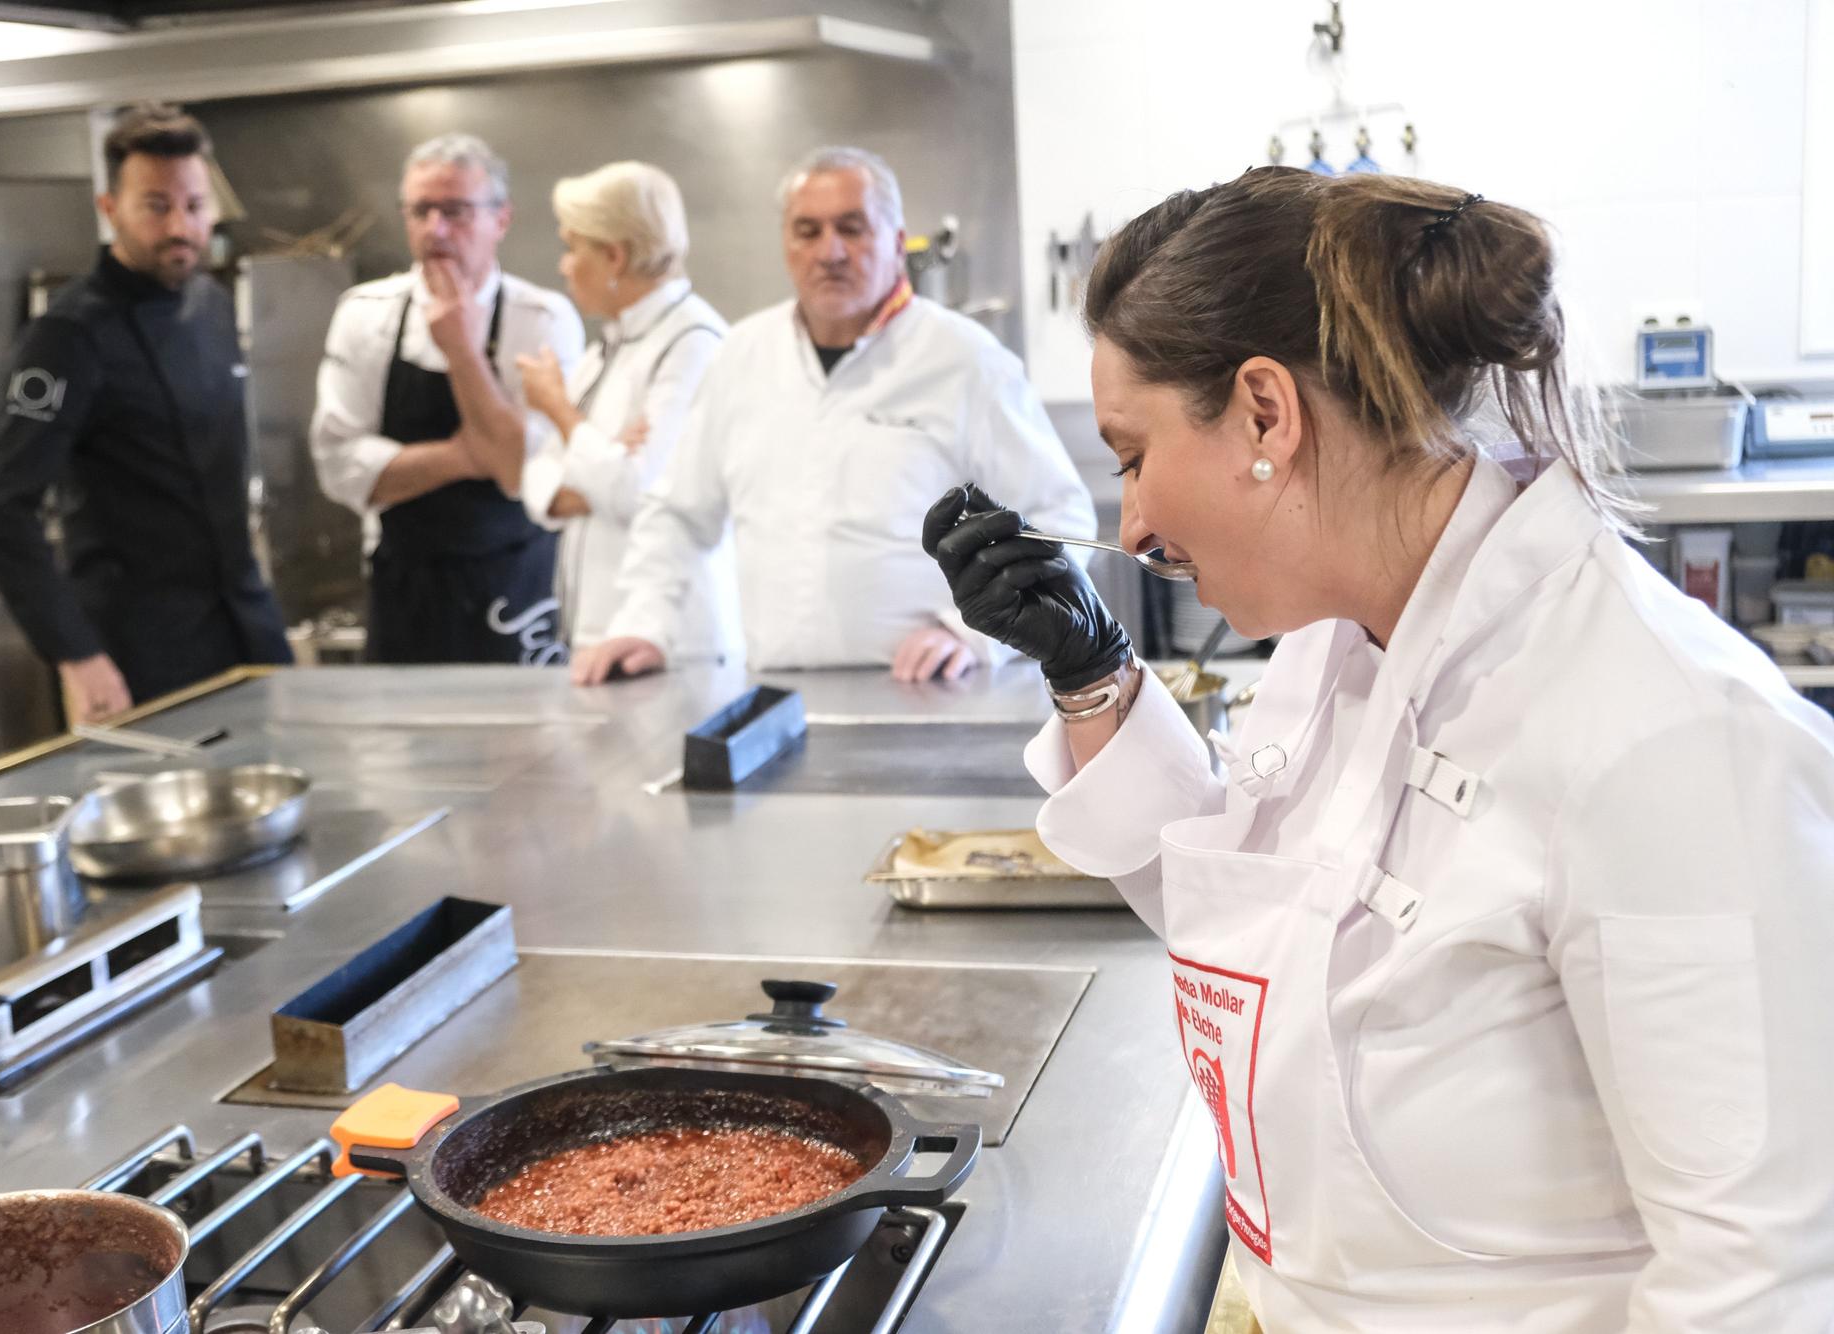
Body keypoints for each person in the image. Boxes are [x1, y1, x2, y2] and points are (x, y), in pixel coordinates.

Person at [924, 168, 1834, 1330]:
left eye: (1131, 453)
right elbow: (1264, 930)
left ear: (1265, 412)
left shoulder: (1668, 743)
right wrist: (1088, 670)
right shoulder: (1338, 641)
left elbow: (1764, 1282)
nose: (1132, 523)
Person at [570, 146, 1093, 686]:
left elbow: (1058, 514)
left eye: (852, 228)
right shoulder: (741, 356)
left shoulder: (966, 360)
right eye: (808, 231)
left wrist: (973, 635)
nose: (830, 252)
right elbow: (678, 514)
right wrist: (644, 624)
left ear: (895, 243)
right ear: (786, 245)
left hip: (936, 689)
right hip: (776, 691)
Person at [0, 103, 291, 722]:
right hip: (140, 652)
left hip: (245, 625)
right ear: (109, 208)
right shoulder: (63, 338)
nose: (180, 227)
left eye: (195, 207)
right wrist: (76, 652)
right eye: (156, 206)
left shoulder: (213, 306)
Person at [310, 133, 584, 664]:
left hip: (517, 593)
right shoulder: (365, 314)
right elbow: (339, 468)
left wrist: (462, 349)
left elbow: (521, 473)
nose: (435, 230)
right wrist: (466, 453)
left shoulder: (543, 320)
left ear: (500, 219)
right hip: (404, 593)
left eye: (456, 211)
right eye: (421, 211)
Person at [514, 160, 739, 662]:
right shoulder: (606, 350)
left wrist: (560, 412)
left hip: (672, 646)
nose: (563, 265)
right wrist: (607, 458)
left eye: (572, 247)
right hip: (595, 634)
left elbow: (643, 494)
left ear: (614, 256)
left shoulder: (693, 343)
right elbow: (535, 482)